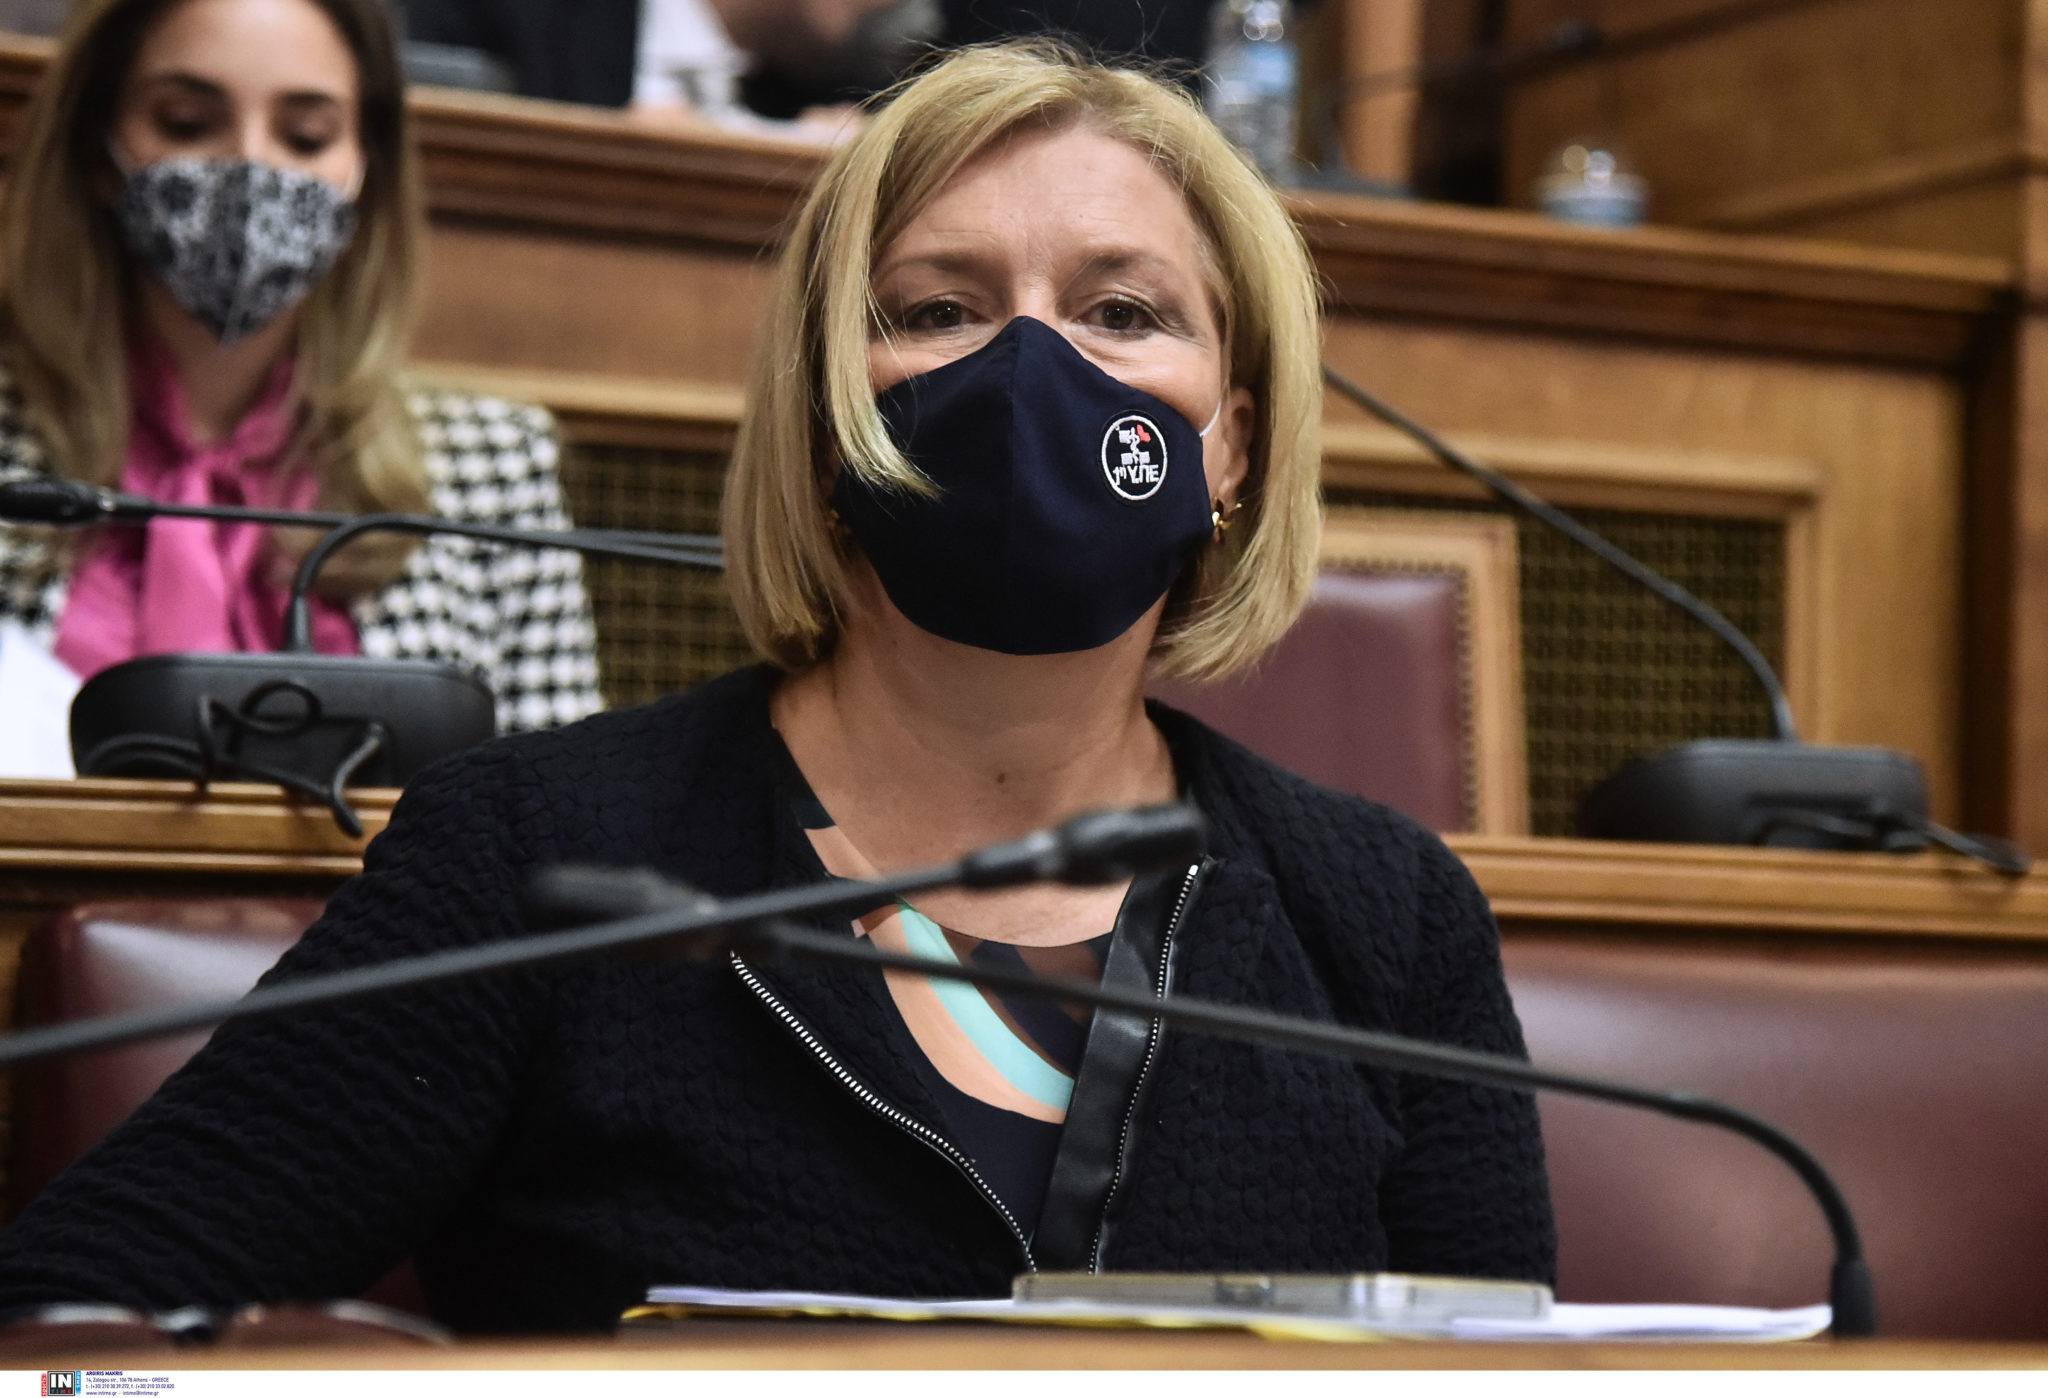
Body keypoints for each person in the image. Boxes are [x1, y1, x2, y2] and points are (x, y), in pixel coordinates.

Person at [0, 41, 1554, 1335]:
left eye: (1122, 313)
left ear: (1230, 447)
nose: (1030, 370)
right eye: (937, 310)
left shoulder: (1387, 916)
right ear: (822, 426)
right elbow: (68, 1340)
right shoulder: (539, 861)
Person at [0, 0, 603, 738]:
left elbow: (557, 802)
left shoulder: (496, 470)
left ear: (365, 167)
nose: (252, 165)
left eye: (306, 136)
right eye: (187, 124)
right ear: (98, 150)